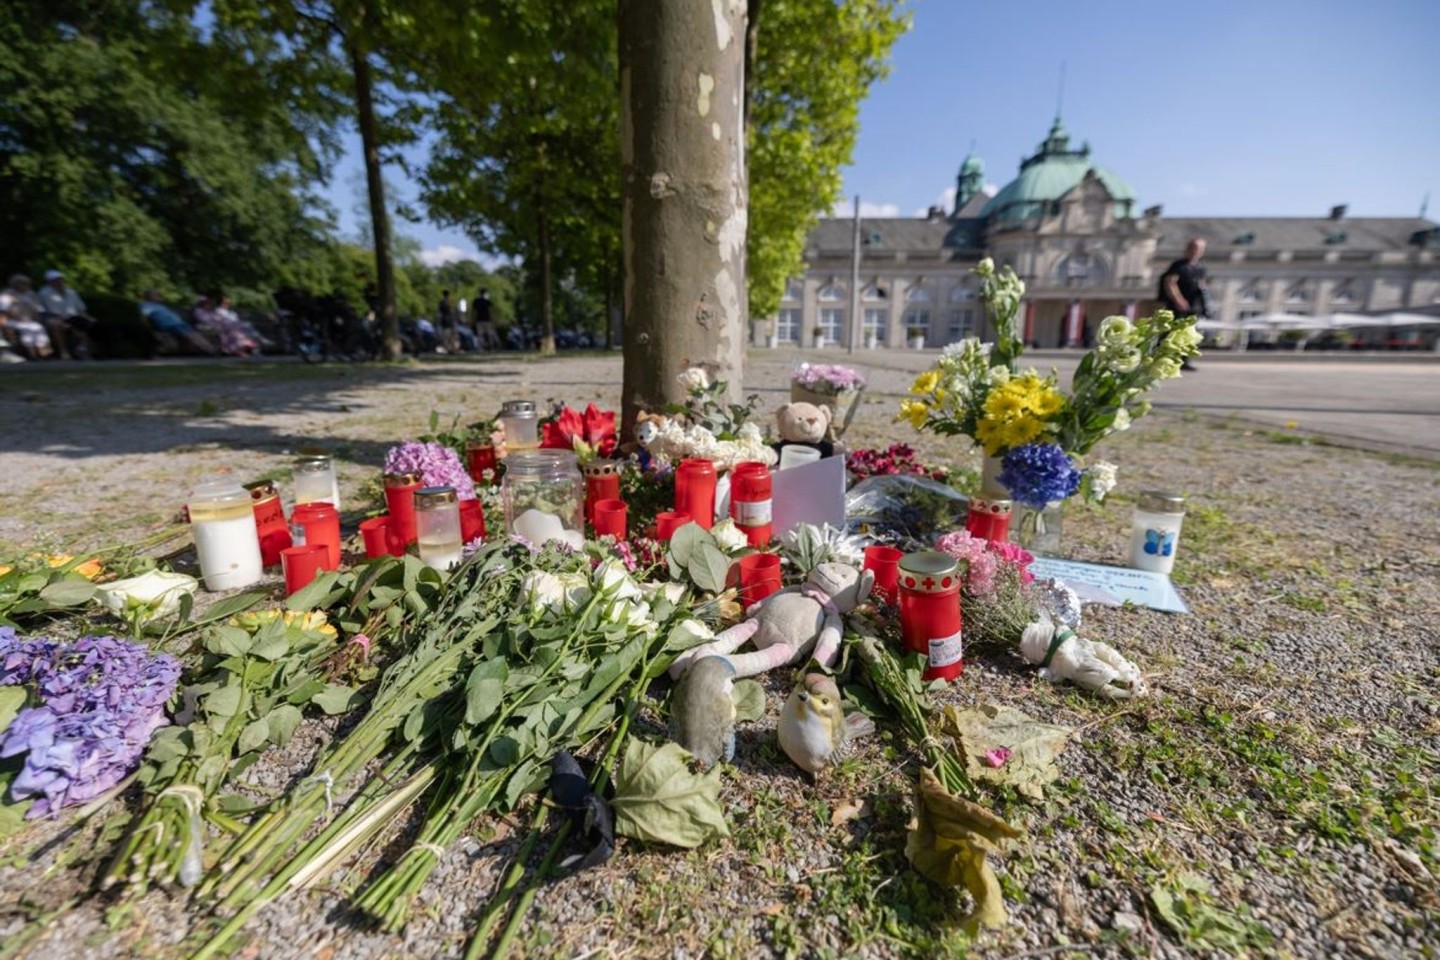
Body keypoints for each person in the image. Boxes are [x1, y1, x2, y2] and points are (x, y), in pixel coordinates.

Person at [1157, 238, 1206, 370]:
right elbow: (1170, 282)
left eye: (1199, 249)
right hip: (1177, 305)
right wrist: (1178, 299)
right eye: (1194, 248)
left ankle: (1184, 360)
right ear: (1188, 249)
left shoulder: (1200, 267)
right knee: (1171, 331)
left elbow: (1201, 284)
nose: (1196, 251)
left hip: (1193, 305)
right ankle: (1162, 358)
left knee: (1189, 333)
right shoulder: (1178, 265)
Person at [35, 269, 96, 359]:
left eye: (60, 279)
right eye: (55, 280)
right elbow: (47, 311)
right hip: (54, 318)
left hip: (73, 318)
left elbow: (81, 308)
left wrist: (88, 317)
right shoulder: (44, 293)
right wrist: (62, 321)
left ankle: (82, 349)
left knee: (87, 324)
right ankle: (63, 351)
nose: (59, 282)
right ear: (49, 282)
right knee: (57, 326)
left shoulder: (71, 292)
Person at [140, 289, 218, 355]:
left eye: (157, 295)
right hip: (169, 325)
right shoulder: (146, 305)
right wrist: (146, 325)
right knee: (191, 334)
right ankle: (211, 350)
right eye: (155, 295)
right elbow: (144, 315)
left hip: (177, 323)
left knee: (192, 333)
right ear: (149, 296)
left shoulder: (160, 306)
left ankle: (210, 349)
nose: (158, 297)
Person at [0, 274, 51, 359]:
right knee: (28, 330)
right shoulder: (7, 295)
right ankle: (32, 354)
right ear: (15, 284)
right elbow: (3, 312)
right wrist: (3, 325)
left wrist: (38, 319)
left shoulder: (31, 294)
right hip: (12, 321)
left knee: (39, 328)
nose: (25, 285)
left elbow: (39, 310)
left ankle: (43, 354)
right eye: (22, 283)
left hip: (29, 320)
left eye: (26, 283)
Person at [437, 289, 458, 353]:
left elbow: (440, 312)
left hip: (445, 321)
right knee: (452, 336)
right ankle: (452, 348)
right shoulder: (450, 302)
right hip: (451, 321)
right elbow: (453, 312)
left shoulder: (441, 302)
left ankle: (448, 348)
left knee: (446, 336)